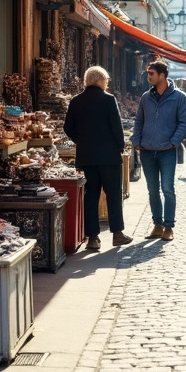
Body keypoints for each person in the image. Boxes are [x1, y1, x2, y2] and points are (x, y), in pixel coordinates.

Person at [63, 66, 132, 251]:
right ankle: (117, 234)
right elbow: (117, 128)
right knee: (113, 195)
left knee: (91, 196)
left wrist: (81, 141)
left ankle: (93, 238)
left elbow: (67, 127)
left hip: (87, 157)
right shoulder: (109, 100)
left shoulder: (76, 101)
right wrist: (119, 147)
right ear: (102, 81)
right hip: (109, 157)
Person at [131, 60, 186, 240]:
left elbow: (185, 123)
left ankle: (169, 226)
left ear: (162, 75)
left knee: (168, 188)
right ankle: (157, 225)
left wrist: (174, 141)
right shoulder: (145, 98)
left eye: (151, 74)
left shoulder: (179, 97)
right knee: (152, 189)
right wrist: (136, 141)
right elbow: (139, 121)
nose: (148, 76)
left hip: (167, 151)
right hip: (147, 150)